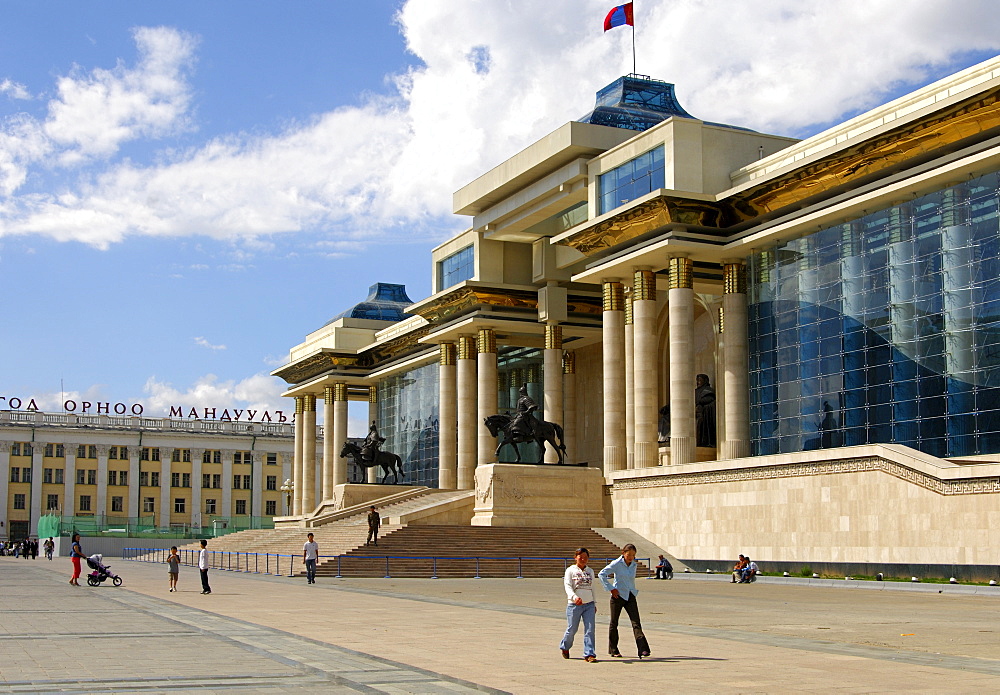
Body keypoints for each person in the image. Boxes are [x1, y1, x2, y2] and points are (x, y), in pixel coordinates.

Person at [598, 543, 651, 658]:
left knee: (636, 622)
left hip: (630, 595)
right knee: (614, 623)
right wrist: (611, 589)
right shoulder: (617, 564)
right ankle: (613, 649)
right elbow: (602, 574)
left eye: (633, 555)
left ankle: (643, 649)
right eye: (629, 554)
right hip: (618, 596)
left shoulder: (633, 565)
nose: (631, 557)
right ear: (623, 553)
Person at [560, 547, 598, 663]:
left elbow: (593, 588)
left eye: (585, 557)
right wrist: (574, 597)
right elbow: (568, 586)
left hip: (589, 604)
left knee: (590, 629)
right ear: (575, 557)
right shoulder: (570, 570)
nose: (583, 559)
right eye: (580, 557)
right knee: (572, 628)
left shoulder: (590, 571)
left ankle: (589, 653)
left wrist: (594, 602)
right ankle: (565, 646)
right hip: (574, 605)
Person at [695, 374, 717, 447]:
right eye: (697, 380)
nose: (698, 382)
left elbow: (709, 399)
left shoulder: (708, 390)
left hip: (704, 415)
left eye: (700, 380)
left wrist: (698, 402)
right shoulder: (695, 391)